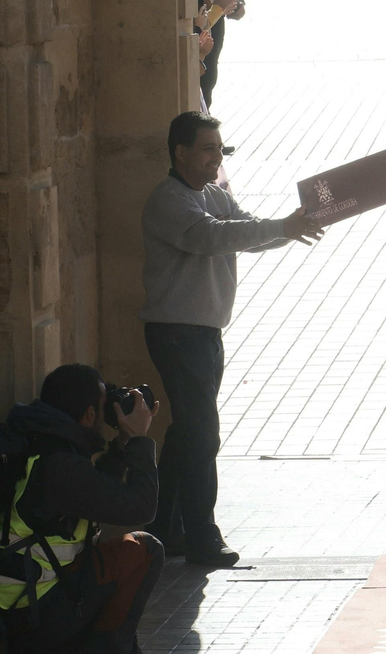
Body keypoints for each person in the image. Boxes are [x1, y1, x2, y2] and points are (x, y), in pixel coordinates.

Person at [140, 112, 326, 567]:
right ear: (181, 153)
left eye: (220, 149)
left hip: (203, 333)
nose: (216, 157)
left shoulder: (214, 195)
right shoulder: (169, 200)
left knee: (188, 434)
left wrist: (291, 227)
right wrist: (282, 227)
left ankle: (163, 527)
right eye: (208, 149)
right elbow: (210, 238)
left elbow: (246, 231)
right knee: (202, 435)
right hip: (177, 333)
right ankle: (202, 536)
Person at [0, 363, 163, 653]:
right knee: (145, 550)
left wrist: (122, 445)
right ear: (89, 414)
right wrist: (138, 441)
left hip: (17, 604)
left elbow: (96, 492)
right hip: (33, 615)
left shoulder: (41, 440)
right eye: (102, 403)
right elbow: (141, 508)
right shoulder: (60, 464)